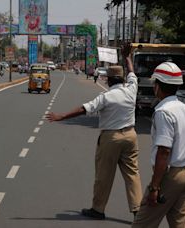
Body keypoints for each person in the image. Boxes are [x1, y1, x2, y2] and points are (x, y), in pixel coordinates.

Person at [47, 43, 143, 219]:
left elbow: (85, 109)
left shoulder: (106, 97)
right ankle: (138, 210)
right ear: (121, 79)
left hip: (111, 137)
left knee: (104, 176)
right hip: (130, 135)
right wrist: (127, 57)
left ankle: (98, 209)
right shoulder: (131, 90)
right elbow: (132, 74)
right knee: (132, 174)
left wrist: (62, 116)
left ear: (107, 80)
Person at [132, 62, 185, 228]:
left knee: (142, 223)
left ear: (158, 86)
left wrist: (155, 187)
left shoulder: (164, 112)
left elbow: (163, 151)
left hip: (171, 176)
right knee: (179, 224)